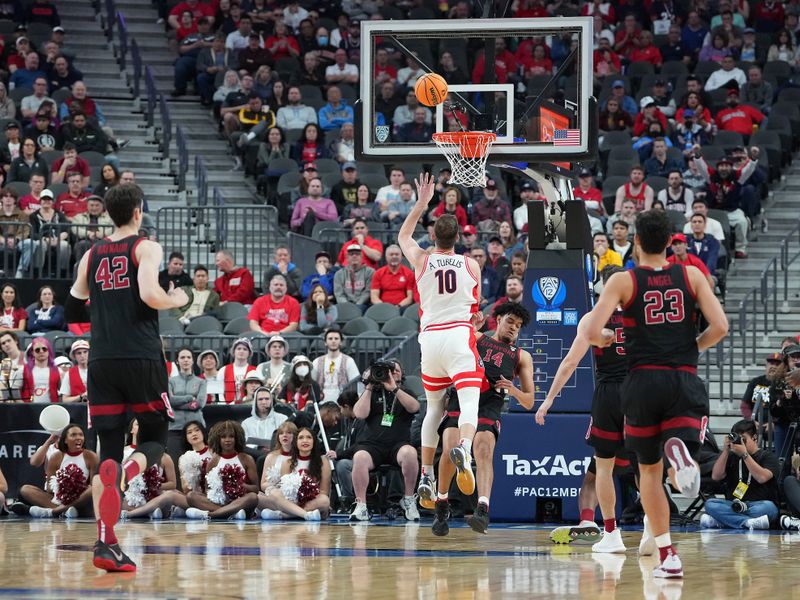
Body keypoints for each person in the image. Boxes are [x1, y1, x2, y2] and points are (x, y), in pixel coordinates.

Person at [583, 209, 728, 578]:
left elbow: (591, 332)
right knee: (676, 463)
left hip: (641, 381)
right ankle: (681, 458)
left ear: (635, 242)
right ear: (669, 243)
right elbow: (721, 326)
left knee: (647, 471)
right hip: (683, 377)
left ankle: (668, 555)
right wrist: (692, 347)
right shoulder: (691, 274)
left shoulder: (623, 281)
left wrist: (609, 338)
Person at [66, 182, 189, 572]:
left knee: (108, 448)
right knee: (155, 437)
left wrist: (106, 319)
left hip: (101, 360)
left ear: (108, 214)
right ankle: (126, 473)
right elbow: (151, 294)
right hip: (141, 356)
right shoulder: (145, 246)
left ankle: (107, 544)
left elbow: (72, 307)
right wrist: (178, 300)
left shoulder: (91, 253)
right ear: (138, 211)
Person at [397, 173, 483, 509]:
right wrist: (473, 319)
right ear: (459, 236)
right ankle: (463, 445)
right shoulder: (472, 264)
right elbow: (474, 307)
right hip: (459, 336)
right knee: (469, 400)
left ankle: (427, 476)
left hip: (430, 341)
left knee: (434, 408)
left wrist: (421, 203)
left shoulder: (421, 259)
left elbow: (403, 235)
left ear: (433, 236)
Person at [536, 266, 634, 550]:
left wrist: (550, 399)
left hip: (608, 394)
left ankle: (608, 532)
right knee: (647, 468)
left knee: (600, 469)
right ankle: (654, 534)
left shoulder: (593, 319)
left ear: (601, 285)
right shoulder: (640, 316)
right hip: (639, 392)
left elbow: (569, 364)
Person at [434, 303, 535, 535]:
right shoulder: (477, 337)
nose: (513, 328)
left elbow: (529, 401)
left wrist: (513, 389)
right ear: (497, 319)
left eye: (518, 326)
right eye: (510, 321)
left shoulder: (522, 356)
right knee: (450, 449)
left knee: (484, 451)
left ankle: (482, 510)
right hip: (463, 395)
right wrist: (470, 327)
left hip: (490, 403)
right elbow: (452, 340)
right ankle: (442, 503)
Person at [348, 360, 421, 522]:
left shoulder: (406, 391)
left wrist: (394, 388)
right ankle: (361, 505)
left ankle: (408, 499)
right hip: (372, 445)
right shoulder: (372, 392)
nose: (392, 373)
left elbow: (414, 407)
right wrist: (369, 386)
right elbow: (359, 414)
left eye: (395, 371)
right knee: (359, 457)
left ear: (402, 373)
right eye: (388, 371)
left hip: (398, 445)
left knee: (410, 453)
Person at [702, 420, 780, 529]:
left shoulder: (767, 456)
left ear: (754, 437)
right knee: (710, 504)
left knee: (769, 508)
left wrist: (745, 455)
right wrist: (725, 451)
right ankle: (746, 523)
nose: (740, 443)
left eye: (743, 439)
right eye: (738, 439)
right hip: (734, 505)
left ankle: (723, 521)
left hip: (759, 505)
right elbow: (716, 476)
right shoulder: (732, 457)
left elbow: (762, 478)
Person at [16, 423, 98, 518]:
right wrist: (64, 486)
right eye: (73, 435)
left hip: (81, 499)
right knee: (25, 489)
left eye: (81, 434)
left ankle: (54, 511)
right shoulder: (56, 457)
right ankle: (66, 511)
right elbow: (50, 488)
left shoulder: (91, 456)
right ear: (65, 440)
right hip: (60, 498)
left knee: (92, 490)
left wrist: (76, 487)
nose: (78, 437)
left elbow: (94, 486)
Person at [185, 420, 260, 520]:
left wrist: (240, 485)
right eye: (223, 437)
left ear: (237, 438)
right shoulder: (213, 461)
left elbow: (256, 489)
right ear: (218, 439)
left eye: (231, 436)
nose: (227, 440)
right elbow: (208, 491)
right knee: (191, 496)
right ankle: (231, 513)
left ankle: (212, 515)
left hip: (240, 501)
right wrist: (221, 487)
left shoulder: (246, 459)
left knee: (253, 498)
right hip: (219, 502)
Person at [261, 427, 330, 520]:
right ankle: (306, 514)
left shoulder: (323, 461)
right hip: (291, 500)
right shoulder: (287, 462)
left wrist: (307, 494)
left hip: (313, 499)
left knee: (324, 500)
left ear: (314, 441)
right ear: (295, 442)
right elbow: (285, 490)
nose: (305, 441)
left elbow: (324, 491)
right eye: (301, 438)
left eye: (309, 437)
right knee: (273, 493)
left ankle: (284, 515)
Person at [167, 347, 207, 465]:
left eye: (188, 357)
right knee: (175, 464)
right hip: (175, 428)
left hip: (197, 427)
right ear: (177, 361)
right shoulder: (170, 381)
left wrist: (177, 404)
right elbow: (170, 401)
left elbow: (199, 403)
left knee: (200, 464)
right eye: (182, 357)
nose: (186, 360)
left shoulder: (201, 382)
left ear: (192, 360)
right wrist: (189, 398)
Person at [311, 328, 360, 403]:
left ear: (341, 342)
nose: (333, 341)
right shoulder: (317, 361)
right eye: (330, 338)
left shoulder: (349, 361)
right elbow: (311, 382)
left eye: (336, 338)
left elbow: (355, 381)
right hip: (321, 401)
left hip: (342, 402)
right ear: (325, 342)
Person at [242, 386, 288, 452]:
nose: (264, 402)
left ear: (271, 401)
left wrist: (273, 447)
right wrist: (258, 447)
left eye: (267, 399)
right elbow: (242, 444)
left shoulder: (283, 419)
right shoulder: (246, 423)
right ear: (255, 402)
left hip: (277, 453)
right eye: (260, 399)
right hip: (253, 455)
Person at [333, 245, 374, 311]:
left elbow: (367, 292)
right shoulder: (339, 274)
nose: (354, 256)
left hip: (363, 305)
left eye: (357, 254)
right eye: (351, 254)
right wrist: (348, 306)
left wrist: (357, 305)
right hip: (344, 305)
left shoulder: (370, 272)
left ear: (361, 257)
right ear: (347, 257)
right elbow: (339, 294)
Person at [217, 337, 257, 404]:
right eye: (239, 349)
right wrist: (224, 406)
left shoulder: (255, 370)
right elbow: (219, 392)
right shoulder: (223, 370)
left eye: (245, 349)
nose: (241, 351)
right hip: (228, 408)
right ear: (234, 352)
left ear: (249, 353)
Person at [20, 337, 61, 402]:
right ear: (32, 353)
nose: (41, 351)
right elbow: (15, 391)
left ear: (48, 351)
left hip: (51, 408)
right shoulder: (23, 370)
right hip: (28, 408)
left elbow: (64, 393)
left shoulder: (58, 370)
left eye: (44, 349)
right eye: (37, 350)